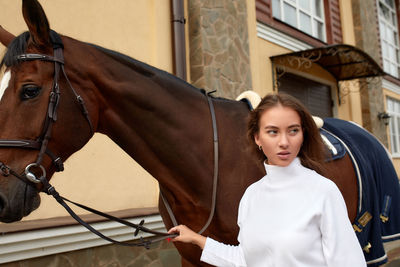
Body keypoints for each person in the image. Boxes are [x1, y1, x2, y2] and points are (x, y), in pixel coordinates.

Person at [168, 93, 366, 267]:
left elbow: (349, 262)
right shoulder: (251, 196)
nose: (284, 142)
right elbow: (245, 259)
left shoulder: (324, 191)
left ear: (303, 135)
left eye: (293, 130)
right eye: (273, 131)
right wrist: (196, 239)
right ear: (257, 138)